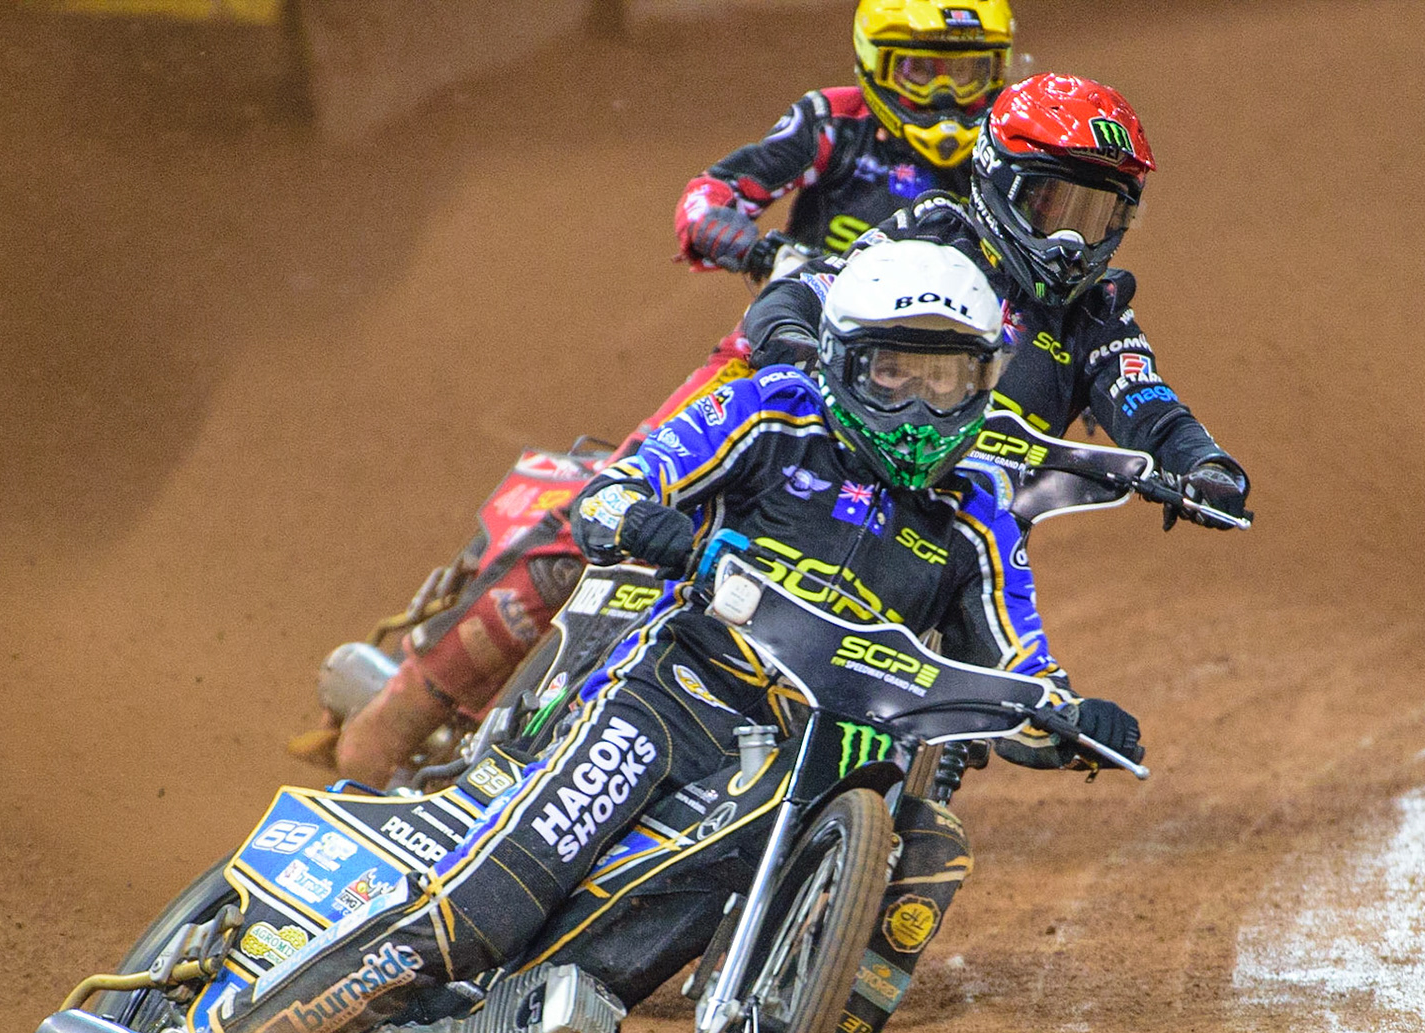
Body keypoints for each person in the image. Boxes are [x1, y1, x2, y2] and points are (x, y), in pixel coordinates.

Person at [138, 240, 1145, 1033]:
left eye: (952, 378)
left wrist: (1067, 718)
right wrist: (654, 526)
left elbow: (1019, 656)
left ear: (984, 381)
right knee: (487, 909)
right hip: (669, 697)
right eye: (898, 371)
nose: (924, 406)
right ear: (846, 360)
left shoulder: (976, 513)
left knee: (928, 844)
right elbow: (618, 489)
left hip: (795, 764)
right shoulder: (771, 410)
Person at [324, 0, 1021, 789]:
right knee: (599, 517)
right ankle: (399, 716)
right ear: (875, 63)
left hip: (919, 401)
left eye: (966, 73)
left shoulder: (1008, 166)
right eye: (921, 70)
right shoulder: (837, 123)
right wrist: (766, 251)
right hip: (769, 368)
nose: (943, 95)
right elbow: (708, 198)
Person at [746, 71, 1251, 522]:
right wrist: (797, 348)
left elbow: (1149, 405)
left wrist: (1205, 464)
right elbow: (794, 295)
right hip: (823, 502)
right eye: (1053, 208)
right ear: (997, 179)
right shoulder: (931, 234)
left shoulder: (1096, 315)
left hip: (966, 555)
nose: (1071, 243)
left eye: (1095, 217)